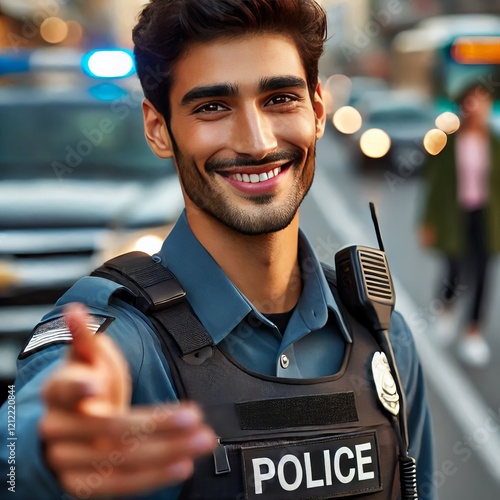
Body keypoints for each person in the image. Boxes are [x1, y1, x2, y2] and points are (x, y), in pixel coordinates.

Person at [0, 1, 434, 498]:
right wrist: (46, 452)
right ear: (158, 128)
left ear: (317, 110)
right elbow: (19, 443)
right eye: (212, 107)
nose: (256, 142)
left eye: (279, 99)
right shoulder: (124, 338)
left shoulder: (385, 334)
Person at [420, 82, 500, 366]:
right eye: (472, 101)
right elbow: (436, 186)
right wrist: (428, 222)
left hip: (486, 217)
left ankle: (473, 331)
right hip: (455, 216)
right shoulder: (449, 141)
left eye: (483, 101)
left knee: (482, 275)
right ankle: (446, 311)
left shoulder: (494, 142)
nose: (477, 107)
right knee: (454, 267)